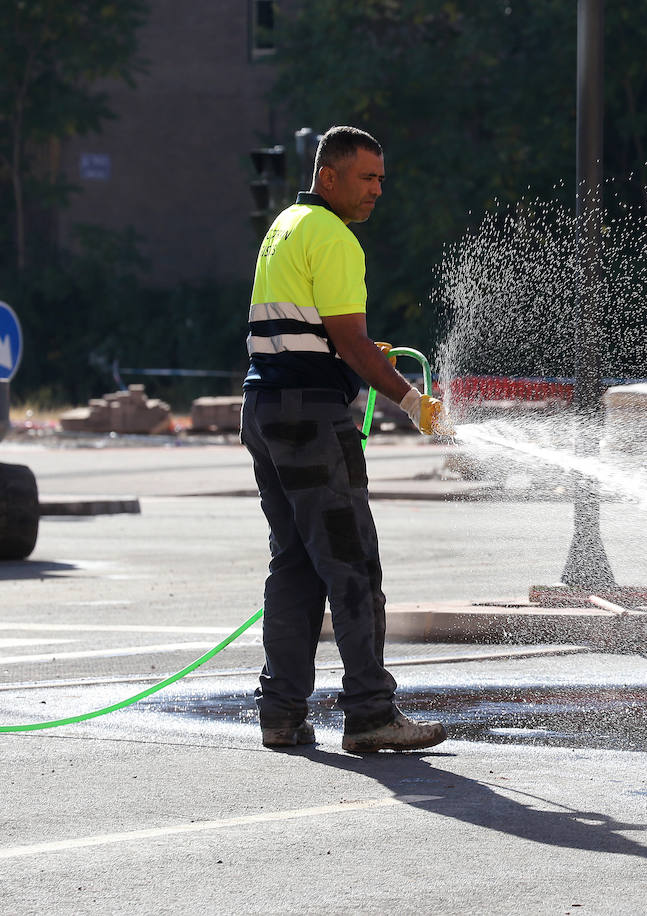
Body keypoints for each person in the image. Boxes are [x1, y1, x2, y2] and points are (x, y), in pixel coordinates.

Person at [240, 126, 447, 753]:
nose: (378, 189)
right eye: (366, 177)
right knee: (351, 564)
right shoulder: (334, 236)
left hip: (266, 410)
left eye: (381, 178)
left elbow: (307, 333)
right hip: (310, 422)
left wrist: (345, 354)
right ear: (328, 176)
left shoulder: (285, 226)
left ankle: (281, 714)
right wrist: (412, 401)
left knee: (295, 564)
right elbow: (352, 341)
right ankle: (370, 714)